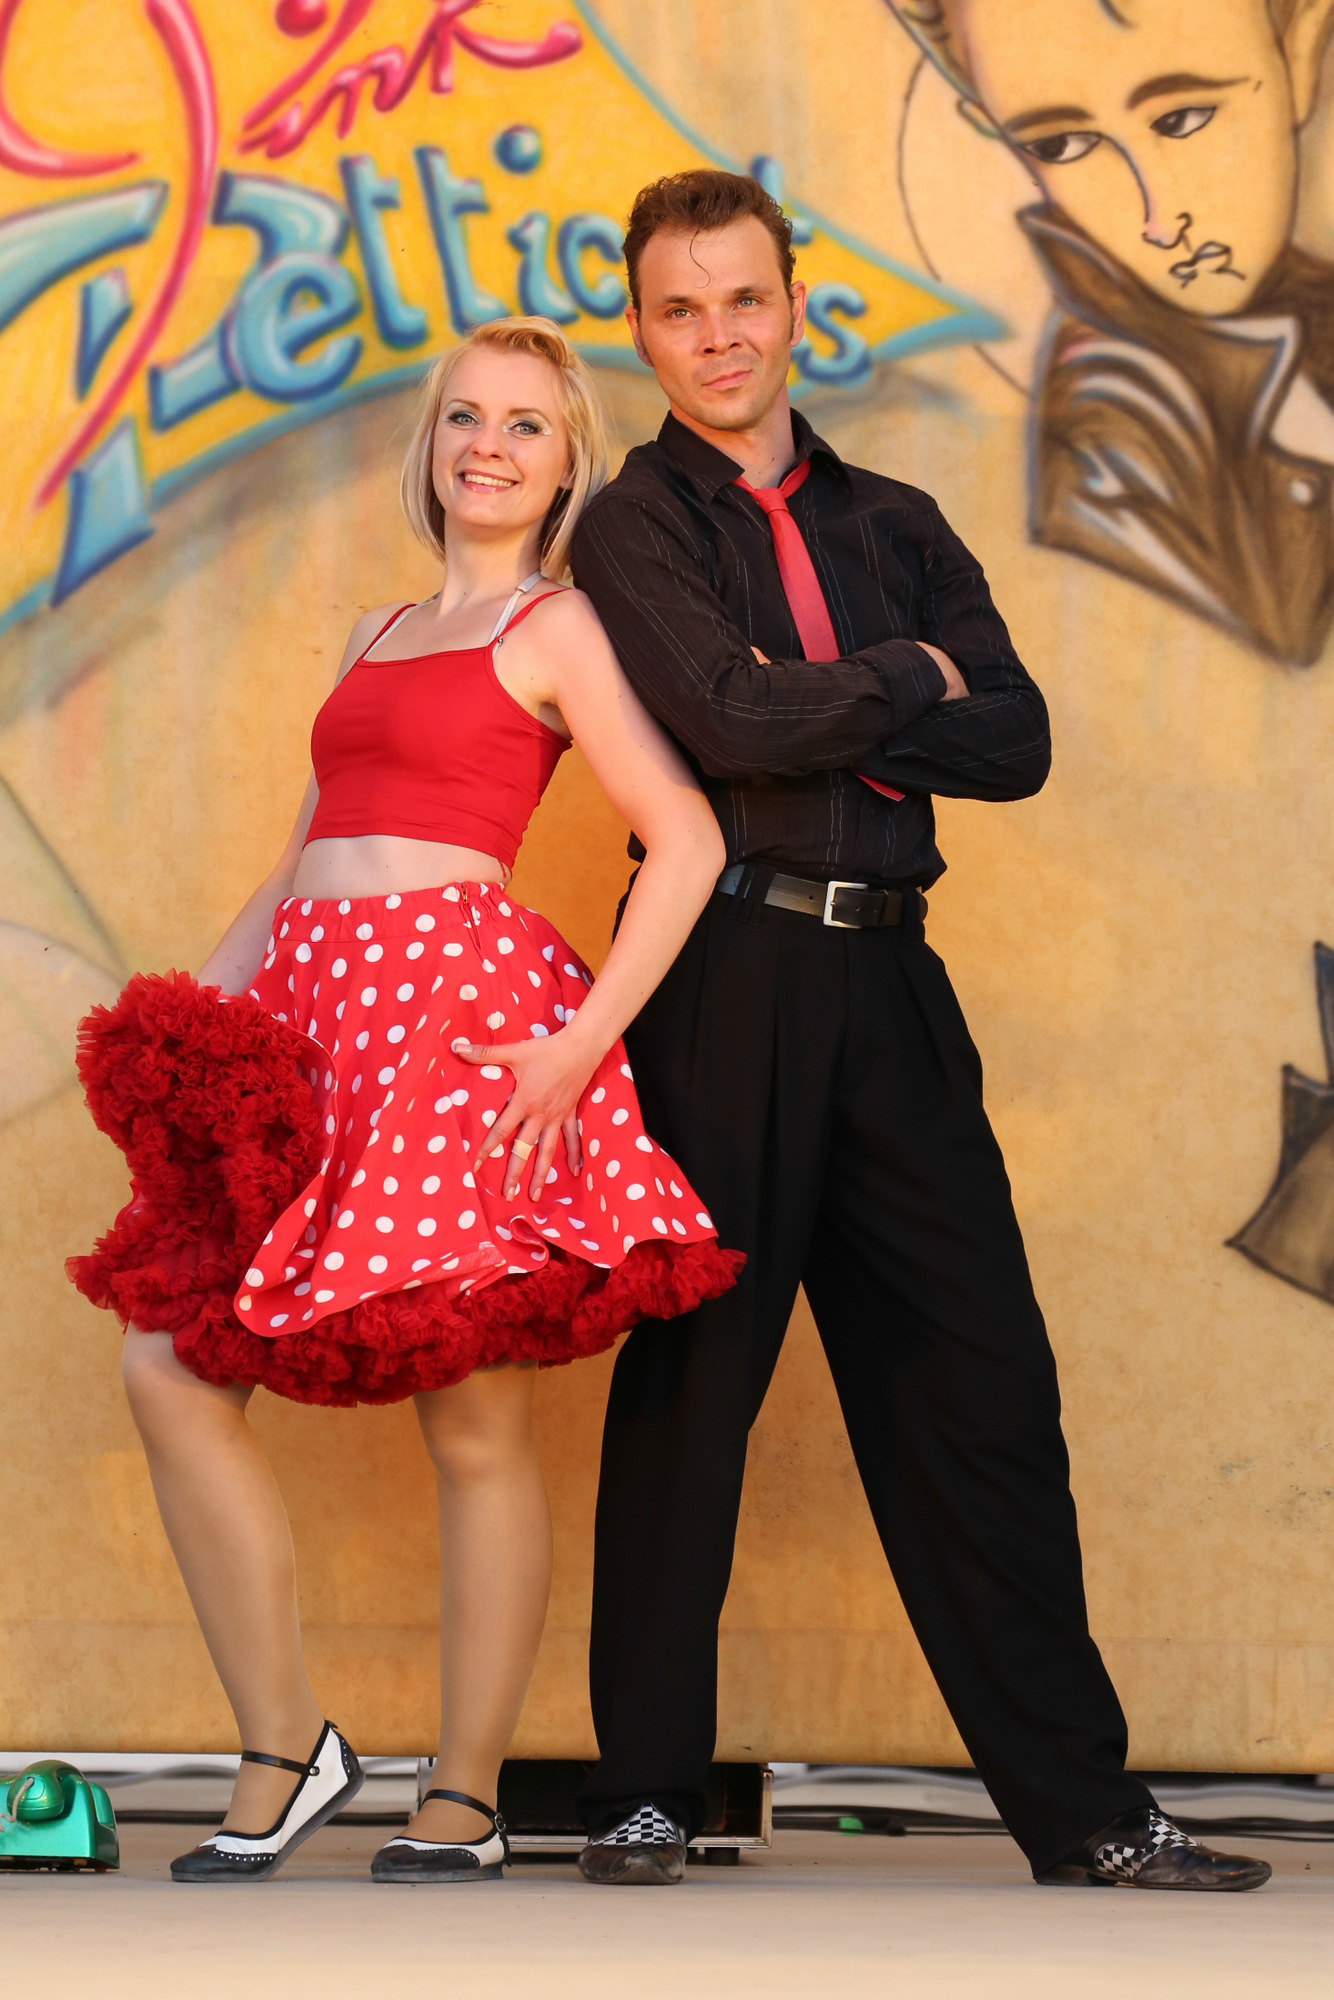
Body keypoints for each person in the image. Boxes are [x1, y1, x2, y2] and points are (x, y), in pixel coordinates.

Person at [568, 168, 1270, 1892]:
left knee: (982, 1392)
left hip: (892, 982)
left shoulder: (896, 520)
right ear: (640, 331)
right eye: (678, 309)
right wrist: (907, 680)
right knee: (691, 1394)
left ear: (791, 303)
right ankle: (646, 1790)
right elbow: (728, 723)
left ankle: (1086, 1815)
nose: (717, 336)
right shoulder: (630, 529)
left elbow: (1014, 741)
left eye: (742, 298)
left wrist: (822, 702)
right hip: (722, 981)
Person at [68, 316, 741, 1886]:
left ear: (564, 466)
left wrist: (578, 1046)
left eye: (523, 426)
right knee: (169, 1364)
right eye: (463, 419)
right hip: (316, 1025)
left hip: (453, 1028)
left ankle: (466, 1790)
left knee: (474, 1417)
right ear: (428, 447)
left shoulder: (557, 626)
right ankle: (284, 1744)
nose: (488, 448)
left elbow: (688, 839)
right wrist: (190, 1026)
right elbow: (303, 854)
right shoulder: (375, 631)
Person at [886, 0, 1334, 665]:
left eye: (1182, 119)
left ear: (1300, 54)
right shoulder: (1117, 437)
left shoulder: (1308, 313)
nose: (1159, 221)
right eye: (1060, 146)